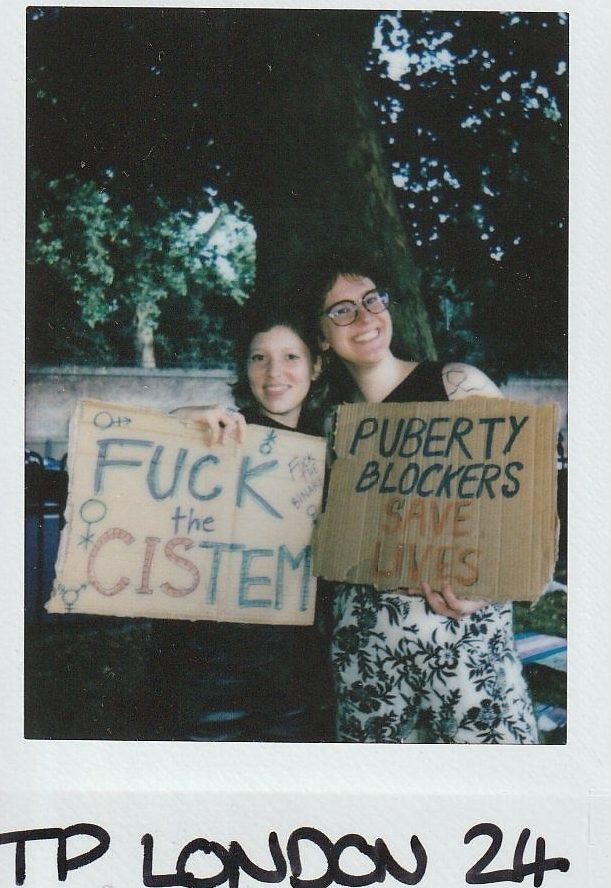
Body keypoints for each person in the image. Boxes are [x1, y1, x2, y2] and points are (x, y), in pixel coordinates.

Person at [313, 259, 539, 744]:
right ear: (320, 337)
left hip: (463, 647)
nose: (366, 318)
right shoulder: (333, 423)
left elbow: (524, 500)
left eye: (373, 300)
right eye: (342, 310)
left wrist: (489, 583)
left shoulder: (457, 386)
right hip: (369, 662)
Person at [154, 304, 334, 742]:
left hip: (295, 679)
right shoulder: (218, 435)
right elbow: (148, 455)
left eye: (291, 357)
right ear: (246, 369)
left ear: (316, 366)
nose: (275, 372)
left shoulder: (332, 448)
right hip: (206, 676)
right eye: (260, 357)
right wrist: (181, 419)